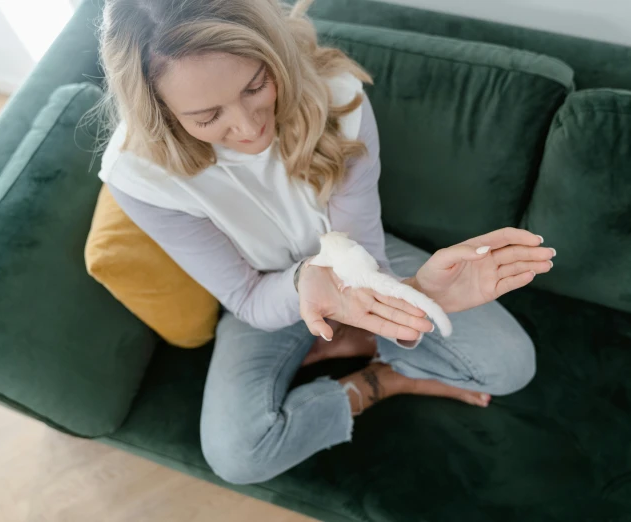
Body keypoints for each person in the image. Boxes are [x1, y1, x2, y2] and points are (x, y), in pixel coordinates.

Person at [96, 0, 555, 485]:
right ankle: (381, 379)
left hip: (362, 264)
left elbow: (366, 261)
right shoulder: (138, 176)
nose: (250, 128)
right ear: (160, 112)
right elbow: (248, 298)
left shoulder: (335, 94)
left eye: (256, 85)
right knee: (238, 456)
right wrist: (306, 285)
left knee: (511, 365)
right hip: (270, 294)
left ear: (272, 54)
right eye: (208, 117)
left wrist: (420, 291)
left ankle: (357, 341)